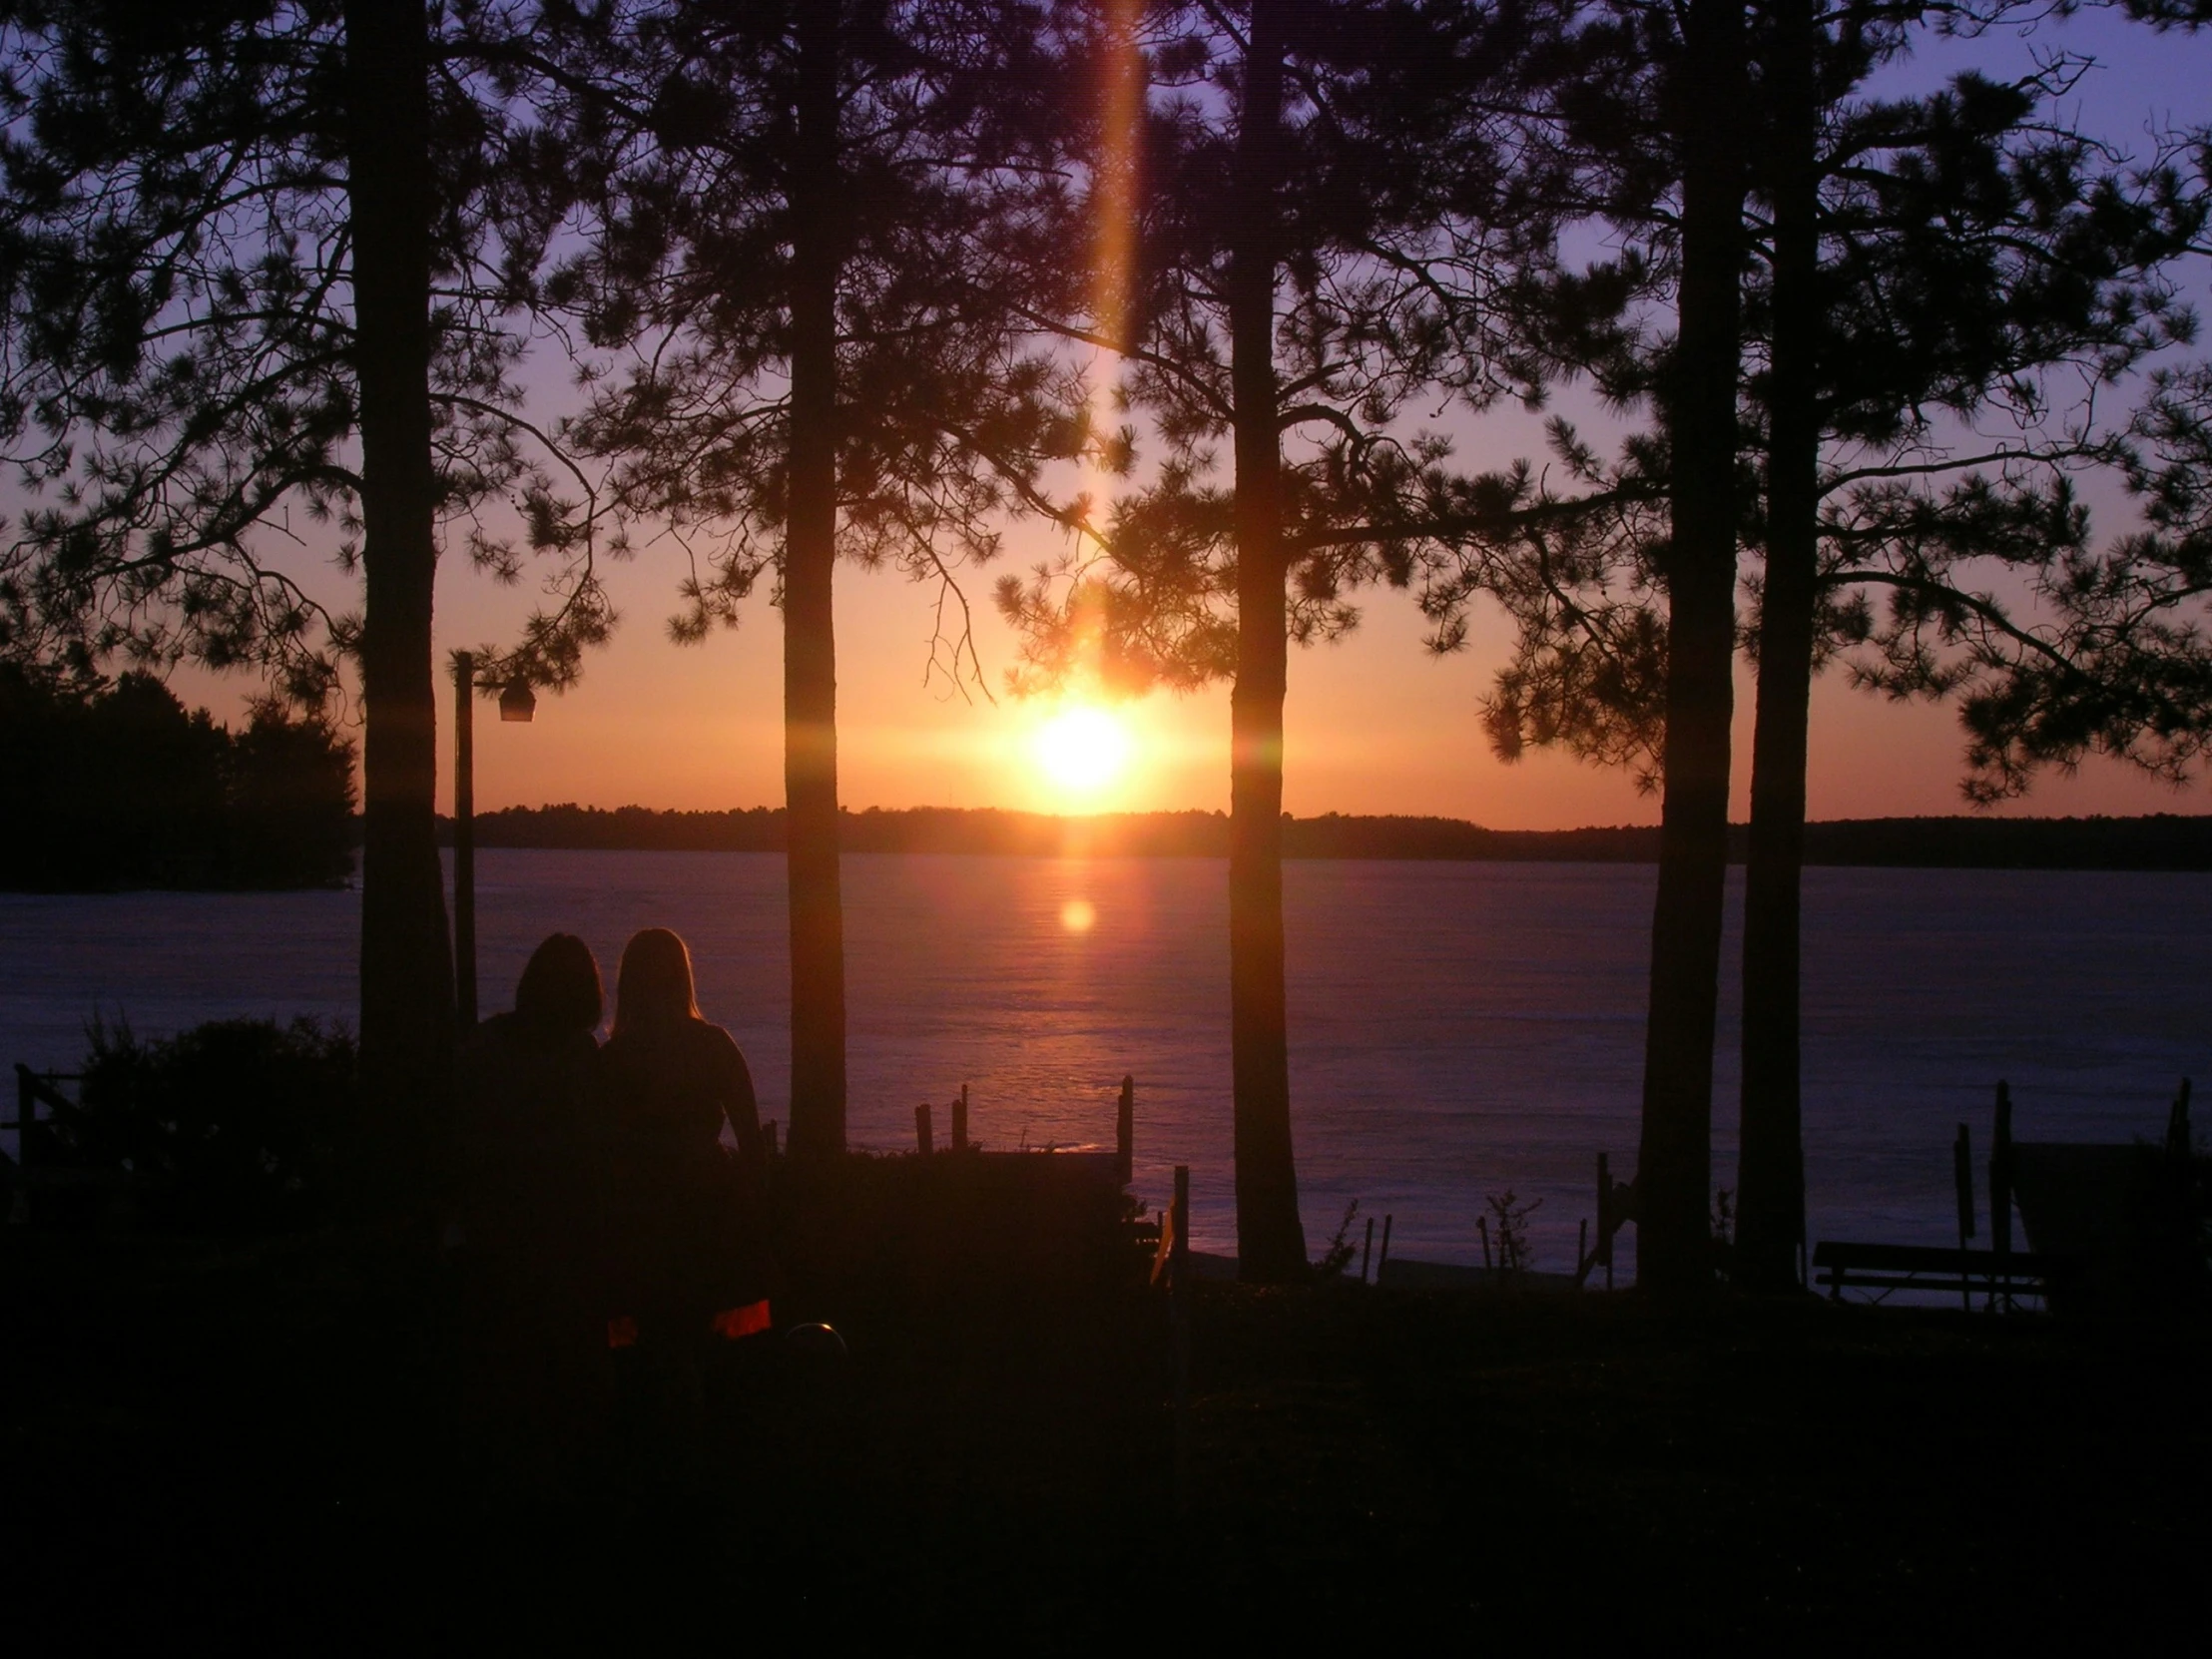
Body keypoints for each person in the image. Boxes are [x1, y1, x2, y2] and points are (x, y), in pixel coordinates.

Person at [453, 932, 611, 1488]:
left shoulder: (484, 1044)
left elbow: (459, 1128)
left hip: (497, 1221)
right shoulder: (578, 1056)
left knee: (504, 1357)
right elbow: (594, 1148)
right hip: (561, 1227)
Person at [599, 927, 771, 1362]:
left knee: (641, 1350)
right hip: (709, 1210)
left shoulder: (613, 1057)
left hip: (637, 1218)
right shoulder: (714, 1045)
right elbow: (752, 1144)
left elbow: (592, 1150)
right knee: (717, 1348)